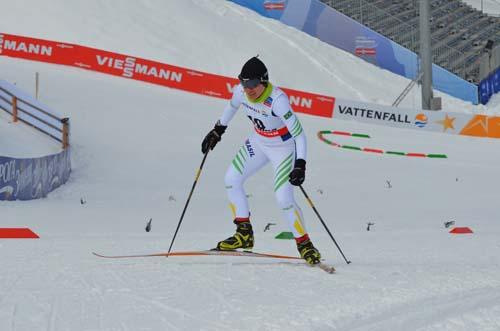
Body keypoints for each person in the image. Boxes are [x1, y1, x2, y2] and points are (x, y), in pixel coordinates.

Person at [201, 56, 322, 265]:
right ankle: (244, 234)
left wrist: (300, 164)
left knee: (283, 198)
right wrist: (218, 129)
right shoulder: (240, 92)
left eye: (253, 84)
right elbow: (231, 107)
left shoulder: (278, 100)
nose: (248, 89)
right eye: (244, 83)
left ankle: (305, 245)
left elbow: (299, 135)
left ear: (263, 81)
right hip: (259, 142)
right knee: (231, 179)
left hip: (283, 148)